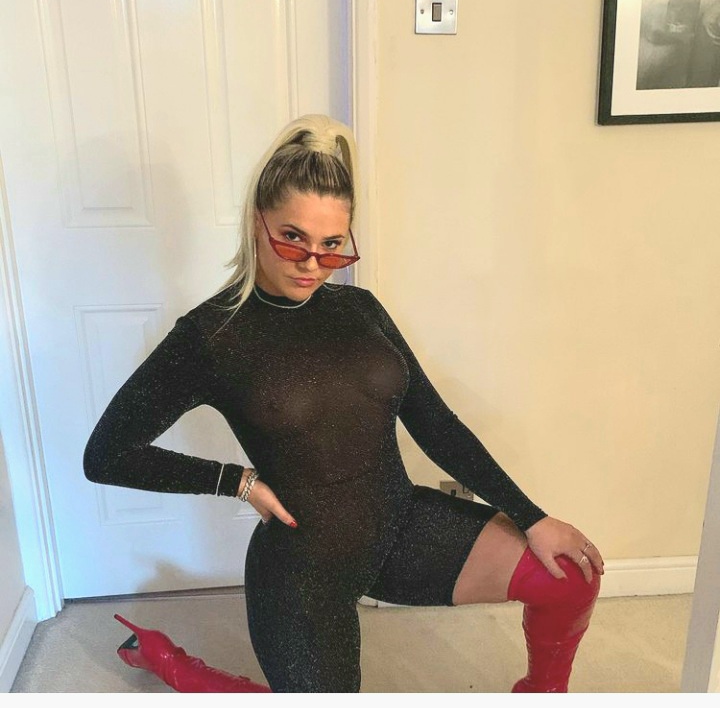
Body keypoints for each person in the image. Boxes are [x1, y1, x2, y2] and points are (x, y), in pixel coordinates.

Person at [84, 114, 603, 693]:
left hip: (401, 525)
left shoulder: (361, 310)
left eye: (332, 246)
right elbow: (107, 455)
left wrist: (532, 516)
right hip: (302, 564)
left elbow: (436, 423)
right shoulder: (211, 334)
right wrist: (237, 482)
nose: (312, 264)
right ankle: (172, 663)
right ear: (256, 221)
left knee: (571, 574)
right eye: (293, 238)